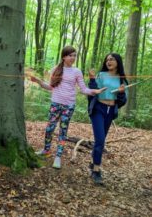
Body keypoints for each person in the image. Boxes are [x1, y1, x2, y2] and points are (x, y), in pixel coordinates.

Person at [31, 46, 106, 169]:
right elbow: (51, 87)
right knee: (50, 128)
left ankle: (58, 156)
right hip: (55, 103)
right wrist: (39, 81)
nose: (73, 58)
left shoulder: (77, 71)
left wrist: (95, 91)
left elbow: (83, 89)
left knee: (63, 131)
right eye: (70, 55)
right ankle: (46, 150)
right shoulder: (55, 69)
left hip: (69, 106)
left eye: (75, 55)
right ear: (64, 57)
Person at [88, 53, 128, 184]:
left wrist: (121, 93)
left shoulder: (121, 79)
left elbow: (122, 102)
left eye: (112, 59)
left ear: (118, 62)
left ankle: (93, 161)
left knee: (101, 139)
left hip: (110, 111)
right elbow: (92, 92)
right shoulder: (101, 75)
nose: (108, 61)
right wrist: (92, 79)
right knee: (100, 140)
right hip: (98, 109)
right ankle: (96, 171)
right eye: (107, 60)